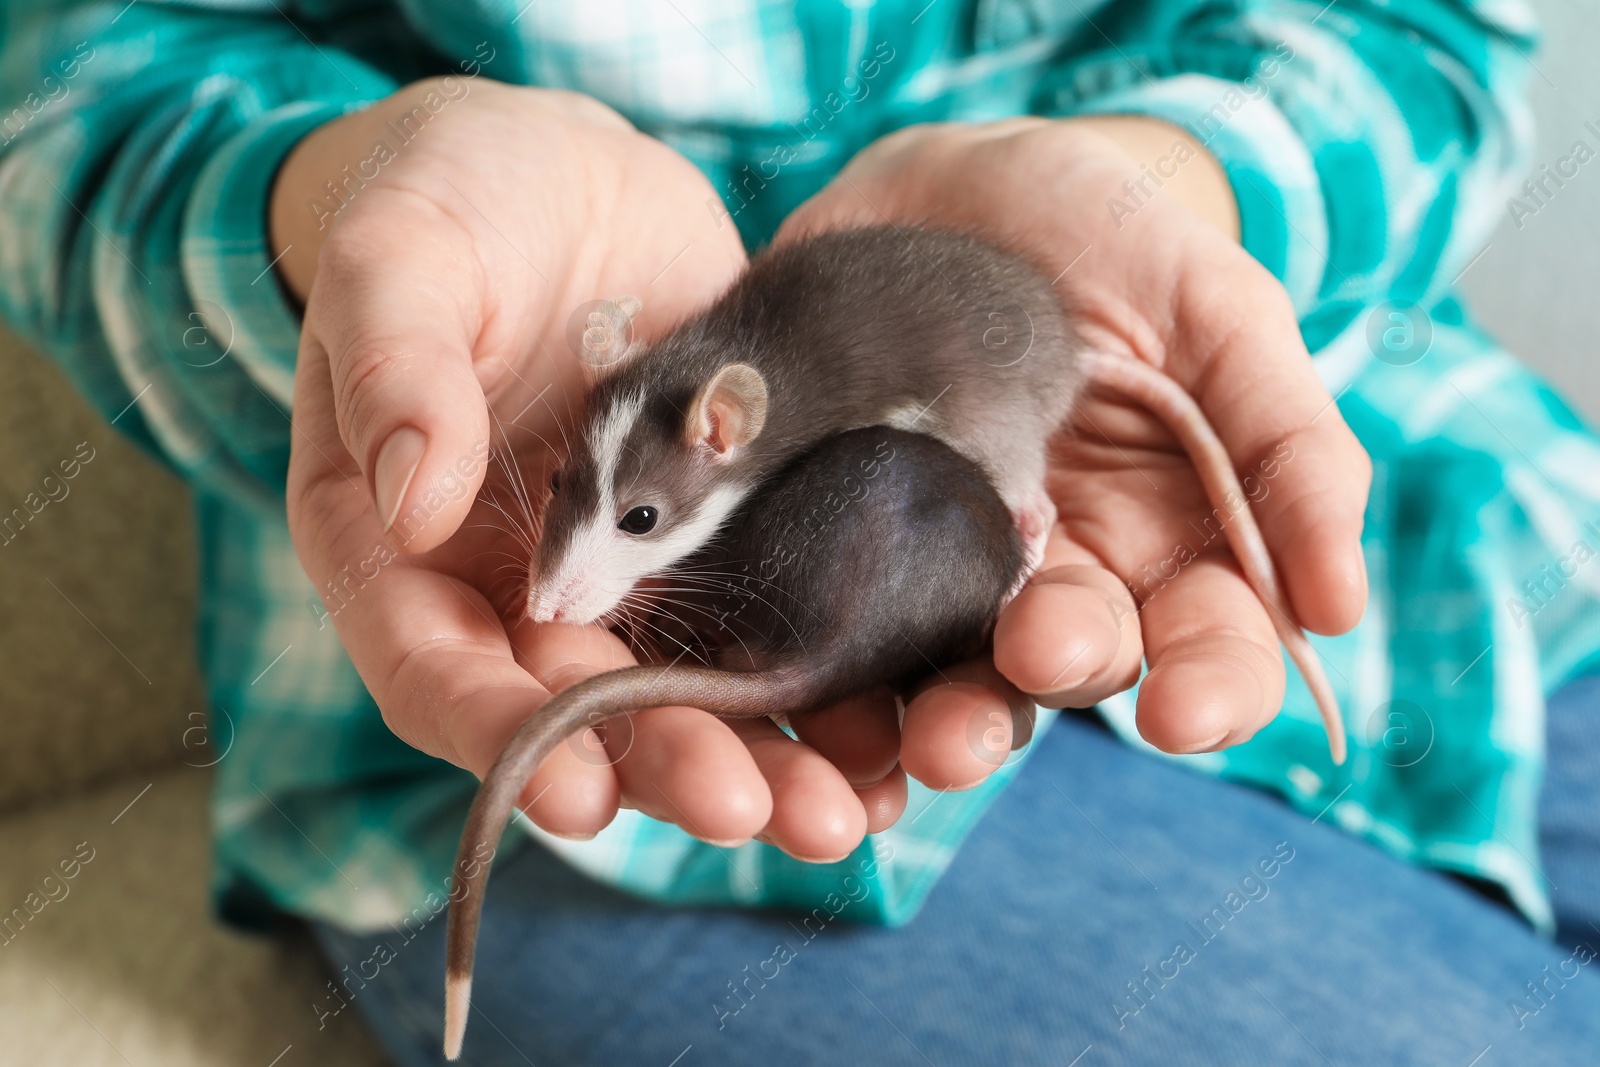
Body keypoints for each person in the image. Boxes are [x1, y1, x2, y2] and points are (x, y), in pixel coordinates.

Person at [2, 0, 1597, 1062]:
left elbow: (1416, 36)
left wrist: (1166, 188)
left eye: (620, 523)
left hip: (1428, 523)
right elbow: (68, 102)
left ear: (726, 436)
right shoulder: (682, 418)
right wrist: (345, 211)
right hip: (618, 823)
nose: (591, 572)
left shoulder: (765, 423)